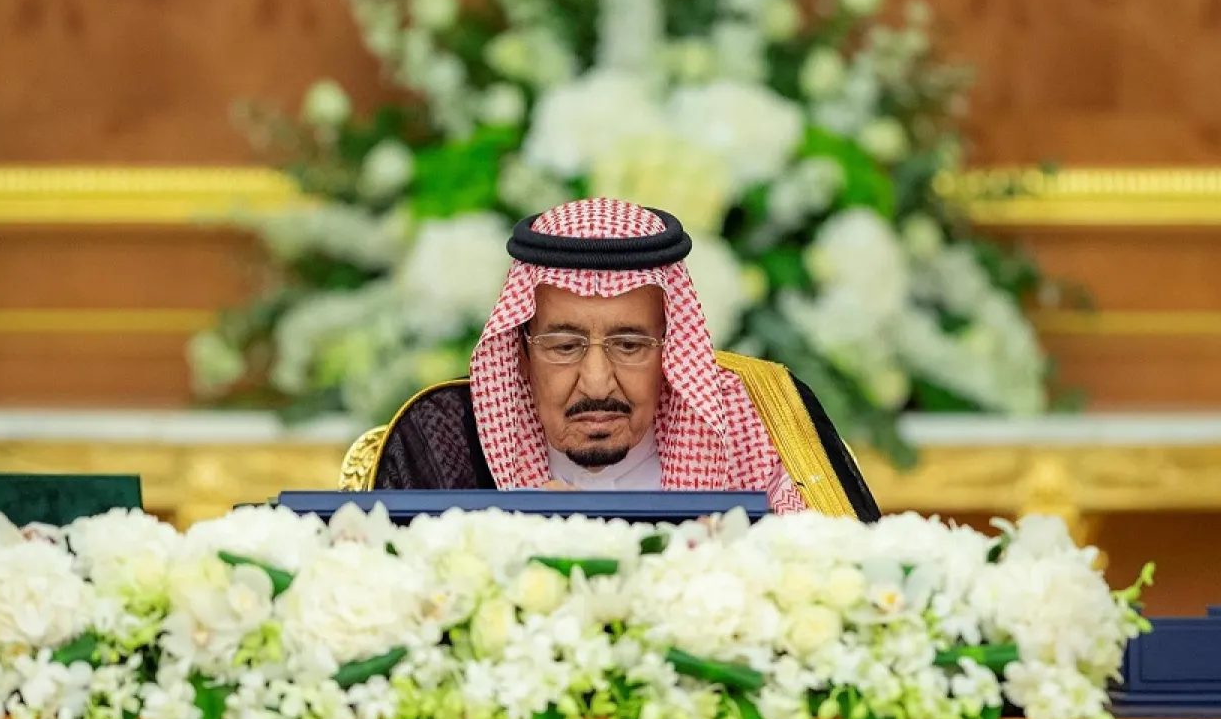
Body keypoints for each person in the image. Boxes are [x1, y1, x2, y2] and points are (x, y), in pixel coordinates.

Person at [346, 197, 880, 519]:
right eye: (563, 345)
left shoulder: (761, 426)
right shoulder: (440, 446)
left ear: (672, 349)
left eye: (630, 344)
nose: (597, 381)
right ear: (522, 349)